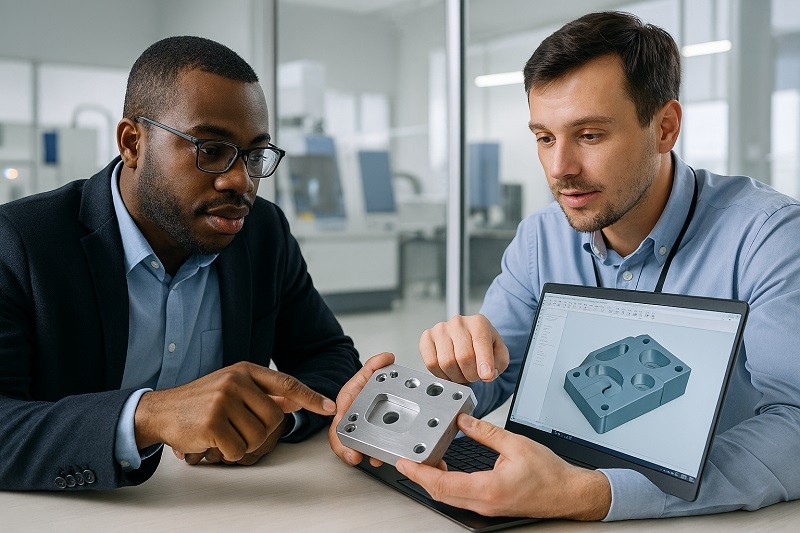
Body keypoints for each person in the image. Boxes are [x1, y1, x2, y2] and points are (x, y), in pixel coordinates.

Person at [330, 11, 800, 521]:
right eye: (544, 137)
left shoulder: (768, 236)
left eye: (590, 135)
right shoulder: (541, 237)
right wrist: (400, 405)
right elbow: (488, 379)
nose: (560, 170)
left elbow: (796, 423)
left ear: (665, 127)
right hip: (545, 495)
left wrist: (594, 494)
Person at [0, 36, 361, 491]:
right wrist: (147, 416)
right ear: (132, 143)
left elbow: (329, 356)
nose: (240, 181)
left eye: (253, 155)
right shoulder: (21, 241)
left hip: (229, 507)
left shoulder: (262, 231)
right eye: (210, 150)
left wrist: (269, 420)